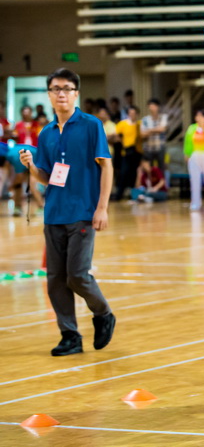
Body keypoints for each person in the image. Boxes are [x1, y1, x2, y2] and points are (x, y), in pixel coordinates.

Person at [19, 68, 115, 356]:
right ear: (49, 95)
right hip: (54, 214)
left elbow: (106, 166)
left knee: (77, 275)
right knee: (55, 279)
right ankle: (70, 335)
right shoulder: (46, 133)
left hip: (83, 212)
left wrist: (102, 208)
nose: (61, 94)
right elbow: (47, 177)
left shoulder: (91, 125)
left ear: (76, 94)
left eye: (67, 89)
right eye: (56, 89)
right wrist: (31, 166)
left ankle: (103, 313)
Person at [184, 109, 204, 212]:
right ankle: (195, 202)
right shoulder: (191, 128)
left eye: (201, 116)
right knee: (194, 180)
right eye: (197, 116)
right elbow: (187, 142)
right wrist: (187, 154)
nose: (199, 118)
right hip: (195, 156)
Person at [115, 106, 142, 200]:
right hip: (126, 151)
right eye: (130, 113)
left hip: (137, 151)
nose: (132, 115)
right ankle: (119, 194)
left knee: (134, 174)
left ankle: (133, 194)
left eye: (134, 113)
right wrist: (122, 143)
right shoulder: (123, 124)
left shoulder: (139, 124)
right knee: (124, 172)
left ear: (137, 114)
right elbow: (116, 134)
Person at [140, 98, 168, 172]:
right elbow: (142, 134)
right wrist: (156, 130)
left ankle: (161, 180)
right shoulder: (145, 119)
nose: (152, 108)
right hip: (148, 148)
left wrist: (149, 130)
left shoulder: (163, 117)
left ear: (158, 107)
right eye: (150, 106)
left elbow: (162, 129)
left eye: (154, 106)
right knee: (149, 170)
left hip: (160, 147)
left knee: (161, 169)